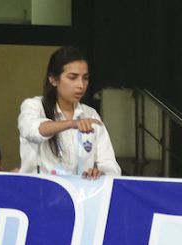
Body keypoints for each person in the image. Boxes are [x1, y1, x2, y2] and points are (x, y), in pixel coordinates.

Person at [18, 45, 119, 179]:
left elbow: (110, 164)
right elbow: (33, 131)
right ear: (53, 79)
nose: (81, 85)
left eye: (85, 78)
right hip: (40, 193)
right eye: (73, 77)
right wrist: (72, 124)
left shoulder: (90, 113)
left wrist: (101, 173)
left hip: (81, 195)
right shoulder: (34, 106)